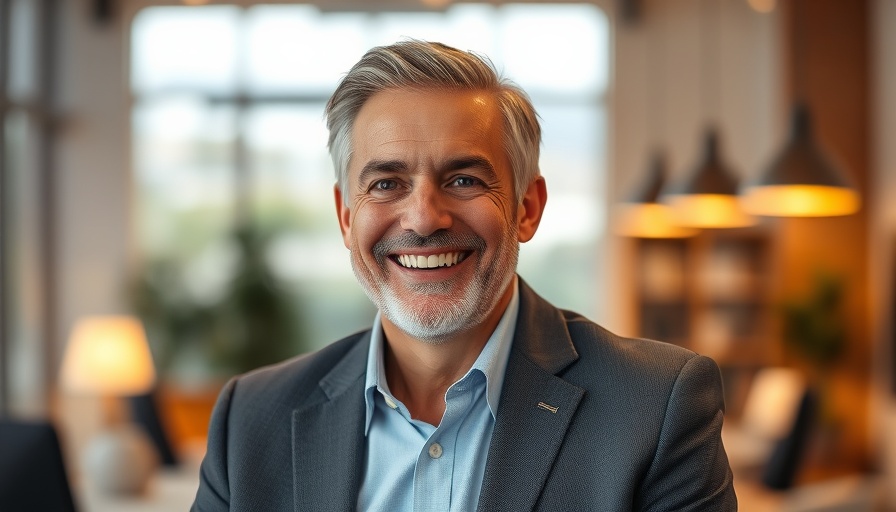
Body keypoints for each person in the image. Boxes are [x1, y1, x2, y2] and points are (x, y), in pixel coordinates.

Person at [192, 40, 736, 511]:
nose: (425, 217)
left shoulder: (657, 408)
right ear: (345, 215)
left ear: (526, 207)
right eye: (386, 183)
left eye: (464, 179)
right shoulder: (251, 420)